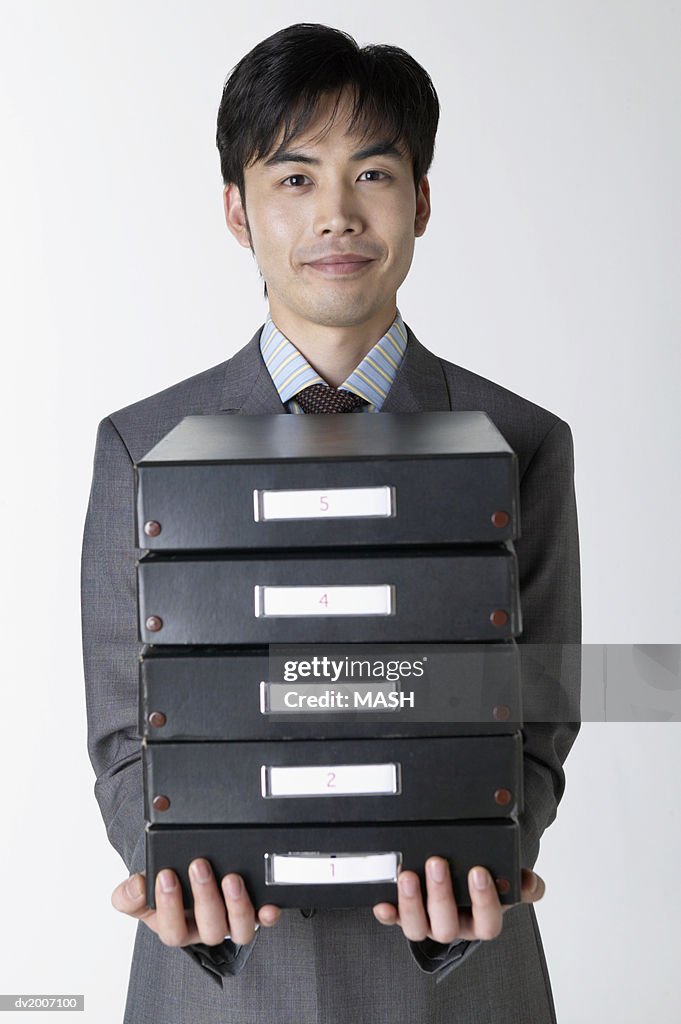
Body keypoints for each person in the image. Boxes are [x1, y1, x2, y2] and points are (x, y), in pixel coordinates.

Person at [81, 22, 580, 1024]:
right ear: (238, 210)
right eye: (296, 178)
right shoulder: (142, 446)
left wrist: (494, 852)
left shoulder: (523, 439)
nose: (337, 215)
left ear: (422, 200)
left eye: (374, 174)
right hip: (219, 981)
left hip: (457, 974)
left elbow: (543, 706)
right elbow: (125, 731)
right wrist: (171, 873)